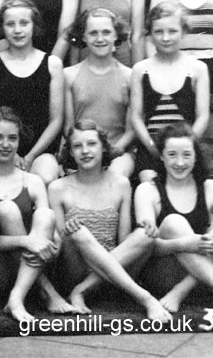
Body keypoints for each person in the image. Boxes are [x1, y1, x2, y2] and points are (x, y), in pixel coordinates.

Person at [134, 123, 213, 320]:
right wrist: (184, 243)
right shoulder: (147, 191)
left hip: (203, 276)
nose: (179, 162)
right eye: (172, 155)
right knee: (173, 222)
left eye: (186, 155)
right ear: (161, 156)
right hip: (164, 275)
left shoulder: (210, 187)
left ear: (196, 155)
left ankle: (182, 291)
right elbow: (146, 246)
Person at [47, 120, 171, 321]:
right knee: (79, 231)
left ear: (104, 147)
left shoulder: (121, 184)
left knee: (144, 235)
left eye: (91, 144)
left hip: (114, 276)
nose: (85, 151)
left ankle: (82, 291)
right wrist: (67, 232)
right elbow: (59, 249)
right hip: (74, 270)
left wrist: (144, 230)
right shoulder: (57, 188)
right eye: (77, 146)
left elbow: (122, 242)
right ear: (69, 152)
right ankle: (146, 299)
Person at [0, 108, 67, 323]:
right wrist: (25, 241)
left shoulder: (32, 181)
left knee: (47, 216)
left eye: (12, 138)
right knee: (6, 209)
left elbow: (48, 234)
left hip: (29, 270)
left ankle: (17, 297)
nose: (5, 144)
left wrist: (54, 241)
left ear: (20, 141)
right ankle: (47, 293)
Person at [0, 0, 64, 183]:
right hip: (2, 148)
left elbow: (56, 121)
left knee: (45, 178)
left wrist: (31, 156)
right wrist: (10, 152)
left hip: (40, 151)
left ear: (35, 25)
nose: (17, 30)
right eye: (10, 24)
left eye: (24, 23)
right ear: (2, 28)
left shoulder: (52, 64)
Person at [130, 2, 210, 183]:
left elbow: (203, 117)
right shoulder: (140, 70)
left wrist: (186, 147)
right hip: (151, 150)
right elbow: (136, 117)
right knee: (149, 184)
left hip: (186, 150)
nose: (166, 38)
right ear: (150, 34)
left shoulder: (197, 69)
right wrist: (152, 146)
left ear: (183, 32)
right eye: (158, 32)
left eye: (172, 31)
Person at [64, 8, 136, 179]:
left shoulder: (130, 76)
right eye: (93, 33)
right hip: (82, 150)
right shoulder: (69, 75)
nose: (100, 39)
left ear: (116, 35)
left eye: (106, 32)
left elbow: (131, 130)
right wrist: (85, 152)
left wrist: (110, 153)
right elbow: (68, 127)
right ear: (83, 36)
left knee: (114, 175)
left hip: (119, 152)